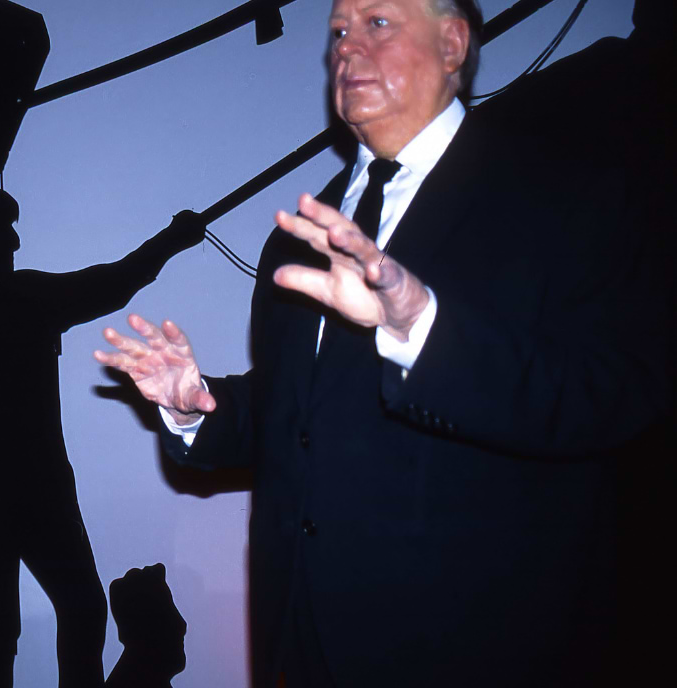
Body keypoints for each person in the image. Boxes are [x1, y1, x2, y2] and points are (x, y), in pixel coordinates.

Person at [96, 1, 671, 686]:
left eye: (379, 23)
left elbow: (612, 395)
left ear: (453, 43)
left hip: (483, 651)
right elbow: (300, 416)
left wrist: (420, 328)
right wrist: (194, 406)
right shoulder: (301, 232)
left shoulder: (565, 193)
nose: (347, 47)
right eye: (339, 29)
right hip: (303, 646)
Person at [0, 189, 201, 688]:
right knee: (32, 618)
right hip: (22, 481)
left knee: (39, 617)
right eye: (5, 233)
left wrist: (171, 241)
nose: (15, 240)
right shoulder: (19, 299)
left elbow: (113, 282)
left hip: (5, 482)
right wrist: (171, 240)